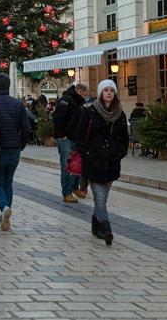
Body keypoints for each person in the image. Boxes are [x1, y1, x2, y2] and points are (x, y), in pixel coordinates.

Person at [75, 79, 128, 246]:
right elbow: (80, 135)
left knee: (103, 195)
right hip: (94, 160)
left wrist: (120, 153)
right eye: (105, 90)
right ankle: (106, 229)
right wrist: (87, 154)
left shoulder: (120, 113)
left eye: (111, 90)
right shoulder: (90, 112)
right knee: (100, 197)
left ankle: (96, 224)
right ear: (100, 93)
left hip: (111, 161)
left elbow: (124, 138)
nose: (109, 93)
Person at [0, 73, 31, 231]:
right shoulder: (18, 104)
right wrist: (21, 144)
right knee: (8, 182)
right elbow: (26, 128)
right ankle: (6, 213)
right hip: (14, 148)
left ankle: (4, 207)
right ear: (9, 85)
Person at [52, 83, 89, 203]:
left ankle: (74, 187)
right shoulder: (66, 100)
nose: (85, 96)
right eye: (85, 94)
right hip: (66, 138)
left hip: (75, 138)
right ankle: (67, 192)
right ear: (79, 91)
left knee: (78, 164)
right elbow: (57, 117)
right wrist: (61, 135)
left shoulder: (77, 102)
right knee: (66, 166)